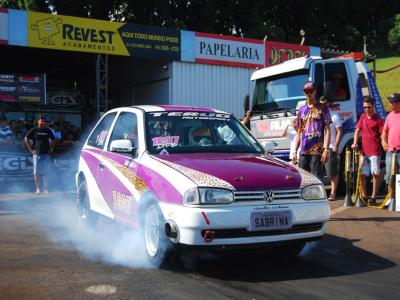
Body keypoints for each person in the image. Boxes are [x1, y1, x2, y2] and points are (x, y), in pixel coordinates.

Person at [293, 82, 331, 180]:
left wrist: (326, 149)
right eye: (306, 91)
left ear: (315, 91)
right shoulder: (301, 110)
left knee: (316, 178)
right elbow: (299, 132)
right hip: (304, 150)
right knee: (303, 179)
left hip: (317, 150)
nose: (309, 93)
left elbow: (327, 130)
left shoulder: (323, 108)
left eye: (311, 91)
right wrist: (294, 152)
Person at [351, 96, 383, 206]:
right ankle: (364, 196)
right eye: (364, 107)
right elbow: (357, 131)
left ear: (373, 106)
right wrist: (355, 143)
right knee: (362, 174)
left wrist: (385, 144)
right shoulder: (363, 117)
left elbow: (383, 133)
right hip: (363, 151)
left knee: (375, 174)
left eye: (368, 107)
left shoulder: (378, 118)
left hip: (375, 151)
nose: (366, 110)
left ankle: (373, 197)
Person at [319, 95, 343, 201]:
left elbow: (340, 131)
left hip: (330, 147)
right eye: (320, 103)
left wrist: (336, 145)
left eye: (323, 103)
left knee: (332, 172)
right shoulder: (318, 116)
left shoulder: (334, 116)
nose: (321, 105)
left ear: (328, 103)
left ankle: (333, 193)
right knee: (318, 172)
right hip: (318, 148)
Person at [25, 115, 56, 194]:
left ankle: (45, 189)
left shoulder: (48, 130)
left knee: (46, 171)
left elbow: (54, 139)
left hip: (46, 154)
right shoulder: (34, 130)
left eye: (44, 121)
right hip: (37, 154)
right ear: (38, 121)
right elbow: (26, 138)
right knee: (36, 172)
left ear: (45, 122)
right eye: (41, 120)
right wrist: (31, 150)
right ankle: (38, 189)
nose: (42, 122)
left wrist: (51, 148)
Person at [381, 93, 400, 204]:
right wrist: (384, 142)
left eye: (391, 102)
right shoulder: (390, 116)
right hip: (390, 151)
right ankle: (391, 198)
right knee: (390, 176)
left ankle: (397, 199)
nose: (389, 104)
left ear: (397, 103)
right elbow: (385, 131)